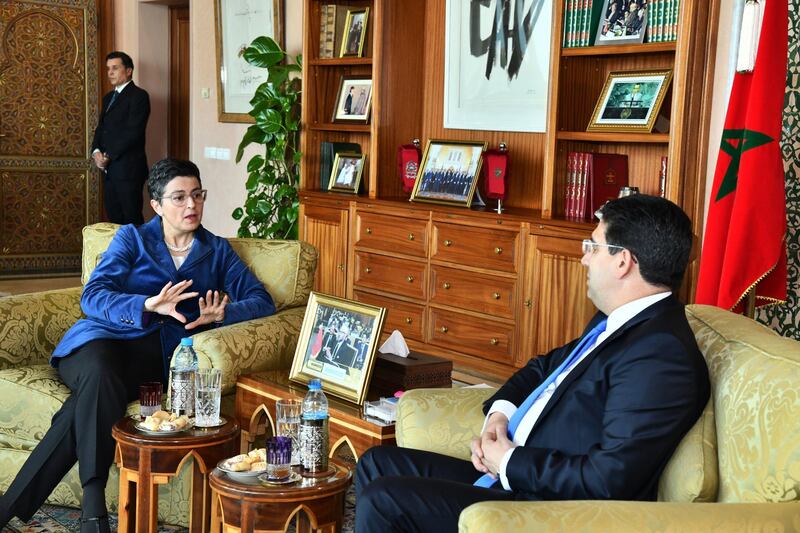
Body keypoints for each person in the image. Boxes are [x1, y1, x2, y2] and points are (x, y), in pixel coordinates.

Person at [355, 194, 710, 532]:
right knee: (377, 463)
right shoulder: (619, 322)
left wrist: (508, 460)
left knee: (385, 500)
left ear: (623, 261)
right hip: (514, 476)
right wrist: (499, 417)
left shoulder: (660, 356)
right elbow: (543, 368)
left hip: (548, 508)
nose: (584, 257)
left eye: (593, 246)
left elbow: (609, 478)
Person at [0, 158, 275, 532]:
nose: (191, 205)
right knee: (99, 373)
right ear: (157, 205)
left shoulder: (217, 250)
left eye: (197, 195)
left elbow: (262, 301)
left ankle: (11, 509)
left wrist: (223, 314)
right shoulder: (133, 238)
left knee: (88, 400)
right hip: (99, 342)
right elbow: (93, 296)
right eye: (179, 198)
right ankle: (93, 503)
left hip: (155, 361)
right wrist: (146, 304)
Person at [91, 51, 151, 225]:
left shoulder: (139, 96)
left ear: (129, 70)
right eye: (108, 68)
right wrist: (96, 152)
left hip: (129, 169)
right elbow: (101, 128)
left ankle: (137, 253)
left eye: (115, 68)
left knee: (131, 219)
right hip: (109, 170)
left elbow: (133, 132)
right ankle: (120, 253)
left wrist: (108, 155)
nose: (110, 72)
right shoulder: (108, 97)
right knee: (114, 218)